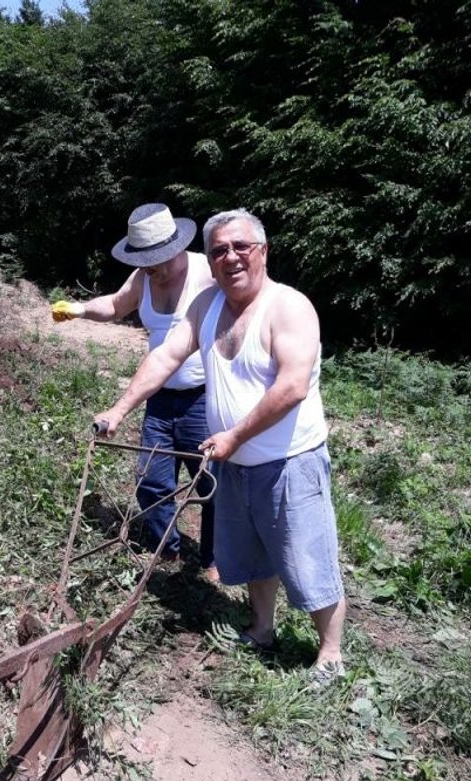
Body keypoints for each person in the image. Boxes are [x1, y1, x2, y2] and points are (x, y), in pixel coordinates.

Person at [93, 208, 347, 683]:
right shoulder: (207, 306)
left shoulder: (288, 307)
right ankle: (263, 628)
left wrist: (233, 436)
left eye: (240, 247)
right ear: (208, 261)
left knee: (306, 560)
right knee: (254, 556)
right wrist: (120, 408)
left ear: (263, 251)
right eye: (218, 251)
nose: (230, 257)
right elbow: (166, 355)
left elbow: (292, 386)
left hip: (288, 462)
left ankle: (330, 652)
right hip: (236, 464)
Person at [51, 203, 218, 581]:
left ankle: (213, 560)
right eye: (143, 261)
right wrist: (76, 309)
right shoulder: (144, 277)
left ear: (175, 248)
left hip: (203, 397)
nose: (149, 268)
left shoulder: (207, 273)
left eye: (155, 260)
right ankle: (168, 550)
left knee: (210, 482)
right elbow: (114, 305)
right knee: (153, 481)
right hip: (158, 398)